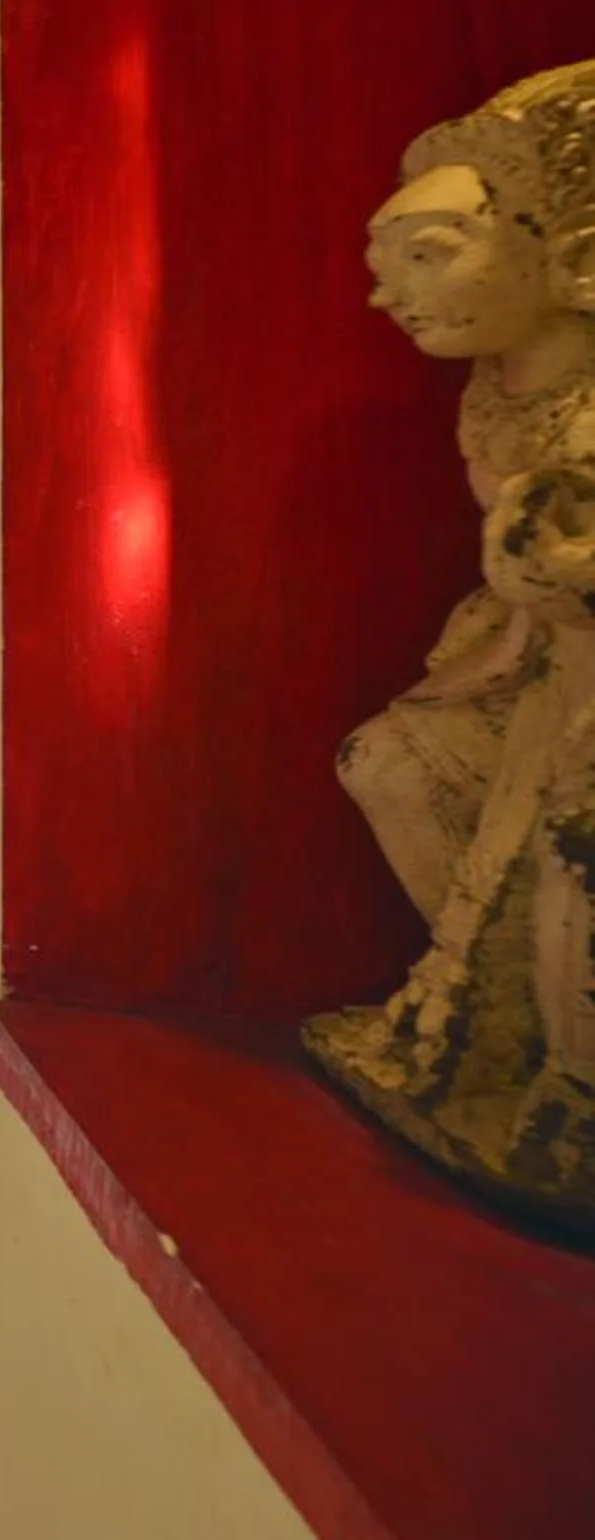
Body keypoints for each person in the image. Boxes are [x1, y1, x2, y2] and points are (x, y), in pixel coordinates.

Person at [319, 60, 595, 1227]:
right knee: (389, 763)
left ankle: (567, 1091)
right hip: (528, 659)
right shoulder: (492, 398)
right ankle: (502, 1046)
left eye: (427, 255)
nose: (389, 296)